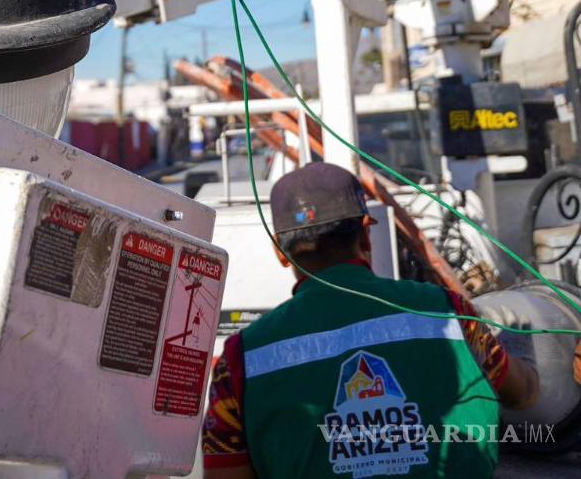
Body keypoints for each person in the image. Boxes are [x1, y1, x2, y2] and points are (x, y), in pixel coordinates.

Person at [202, 162, 539, 478]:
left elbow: (223, 469)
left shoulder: (239, 360)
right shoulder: (449, 312)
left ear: (280, 251)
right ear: (365, 235)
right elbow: (522, 393)